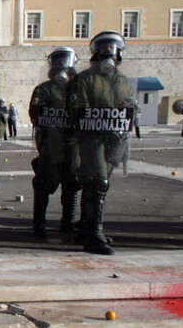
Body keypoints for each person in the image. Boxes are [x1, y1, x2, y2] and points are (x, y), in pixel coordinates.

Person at [68, 30, 136, 255]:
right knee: (99, 182)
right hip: (91, 139)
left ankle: (87, 228)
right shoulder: (85, 78)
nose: (109, 52)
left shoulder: (122, 79)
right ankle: (95, 234)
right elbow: (77, 109)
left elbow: (129, 105)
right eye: (104, 48)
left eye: (112, 48)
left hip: (114, 137)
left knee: (94, 184)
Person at [29, 46, 81, 236]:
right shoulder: (44, 89)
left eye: (64, 60)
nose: (61, 64)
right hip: (50, 143)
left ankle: (68, 221)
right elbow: (35, 113)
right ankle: (39, 223)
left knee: (72, 184)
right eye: (58, 60)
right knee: (44, 184)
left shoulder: (78, 88)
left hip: (72, 144)